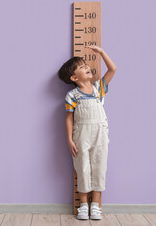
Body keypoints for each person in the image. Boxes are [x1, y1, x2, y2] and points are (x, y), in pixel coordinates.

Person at [57, 46, 116, 220]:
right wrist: (69, 139)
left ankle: (96, 205)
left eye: (85, 64)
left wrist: (102, 52)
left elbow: (113, 69)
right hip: (80, 135)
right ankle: (83, 204)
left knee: (99, 167)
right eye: (81, 67)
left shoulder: (99, 89)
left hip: (100, 134)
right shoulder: (72, 95)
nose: (87, 67)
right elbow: (69, 118)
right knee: (82, 168)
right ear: (74, 77)